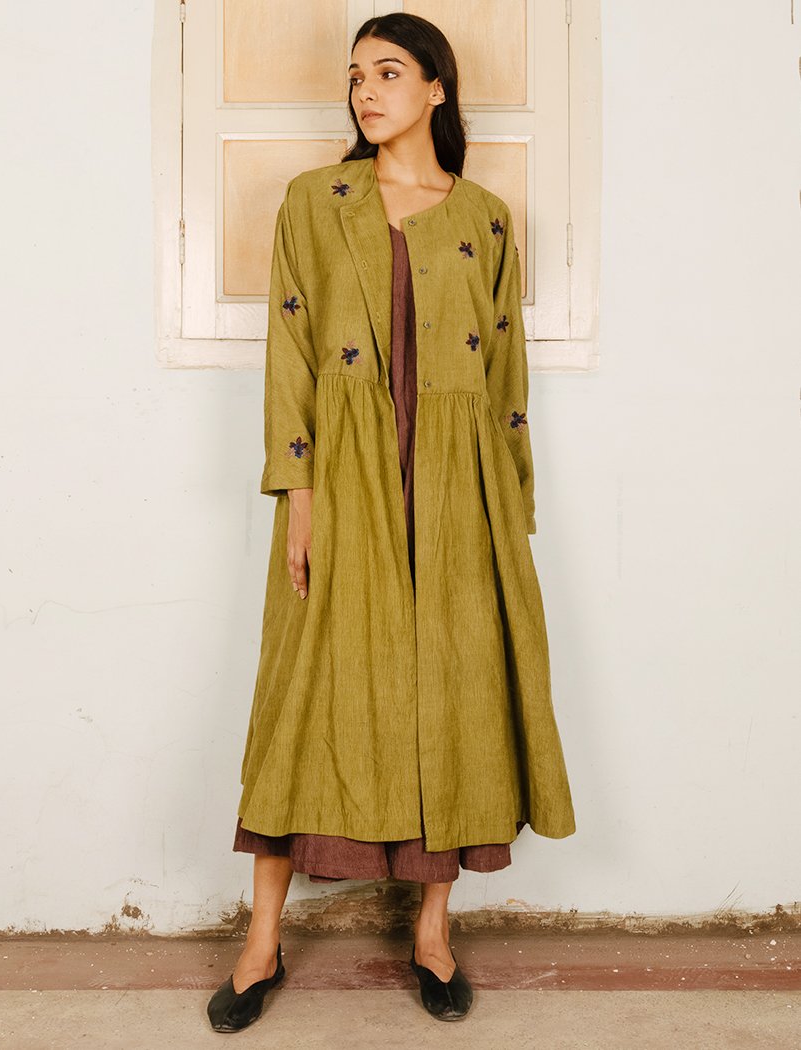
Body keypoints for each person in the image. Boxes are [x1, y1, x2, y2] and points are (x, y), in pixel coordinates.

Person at [207, 11, 576, 1034]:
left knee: (455, 693)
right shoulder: (313, 202)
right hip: (347, 476)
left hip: (460, 486)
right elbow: (289, 358)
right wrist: (300, 498)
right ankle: (261, 941)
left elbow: (508, 382)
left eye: (388, 72)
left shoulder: (485, 218)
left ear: (437, 88)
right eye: (356, 75)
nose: (366, 91)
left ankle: (432, 935)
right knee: (307, 694)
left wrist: (510, 514)